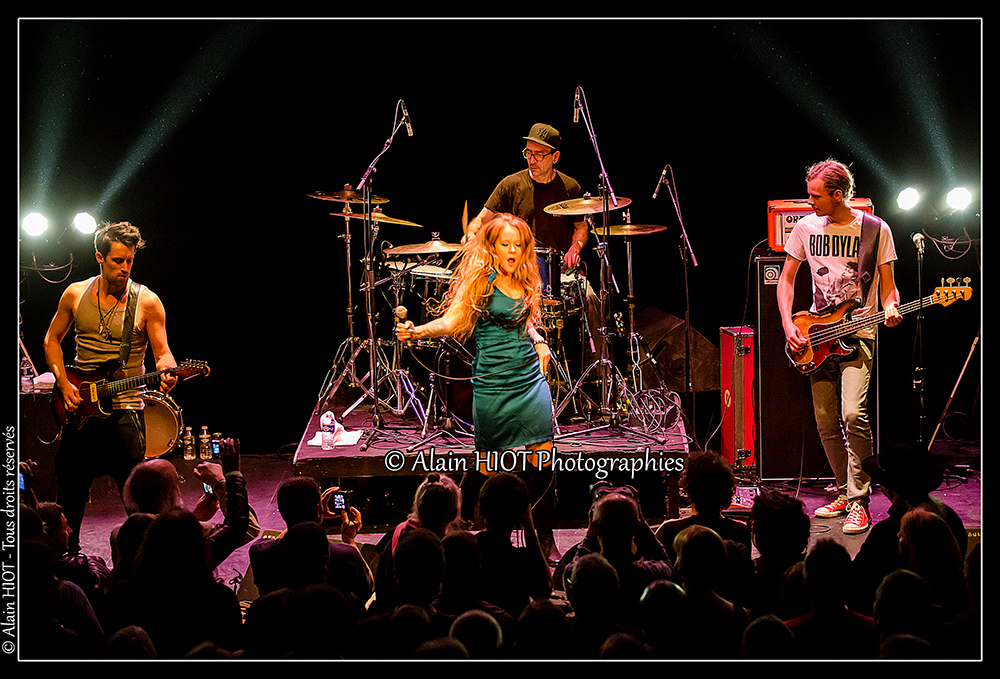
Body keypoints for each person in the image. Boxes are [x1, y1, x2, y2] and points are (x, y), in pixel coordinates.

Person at [396, 213, 558, 559]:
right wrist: (417, 331)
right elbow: (453, 321)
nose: (512, 251)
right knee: (488, 465)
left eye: (518, 245)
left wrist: (539, 339)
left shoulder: (526, 277)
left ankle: (543, 538)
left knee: (542, 459)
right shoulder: (482, 282)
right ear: (492, 247)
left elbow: (525, 318)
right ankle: (465, 529)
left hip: (529, 380)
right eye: (505, 244)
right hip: (493, 384)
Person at [777, 160, 901, 534]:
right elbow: (786, 280)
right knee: (826, 422)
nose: (809, 201)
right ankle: (845, 493)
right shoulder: (805, 228)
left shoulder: (875, 229)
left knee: (853, 414)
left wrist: (891, 306)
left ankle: (860, 502)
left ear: (837, 194)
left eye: (815, 196)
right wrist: (788, 324)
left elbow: (889, 287)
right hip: (818, 337)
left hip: (859, 334)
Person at [44, 221, 177, 550]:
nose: (125, 268)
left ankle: (145, 563)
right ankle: (68, 562)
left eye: (130, 260)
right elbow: (51, 340)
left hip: (125, 408)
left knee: (139, 502)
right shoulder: (75, 293)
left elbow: (162, 353)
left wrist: (167, 369)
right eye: (118, 260)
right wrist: (64, 383)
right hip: (80, 408)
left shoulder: (147, 301)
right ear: (99, 257)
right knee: (69, 498)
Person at [248, 476, 372, 606]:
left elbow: (290, 532)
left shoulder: (260, 553)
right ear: (318, 509)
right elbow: (368, 589)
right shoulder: (346, 555)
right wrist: (350, 540)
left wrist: (307, 516)